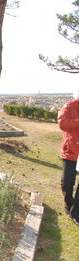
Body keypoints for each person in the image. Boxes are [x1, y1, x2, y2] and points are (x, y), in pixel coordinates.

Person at [58, 92, 79, 227]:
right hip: (70, 151)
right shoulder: (69, 106)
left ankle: (76, 213)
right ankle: (69, 205)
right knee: (67, 182)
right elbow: (63, 123)